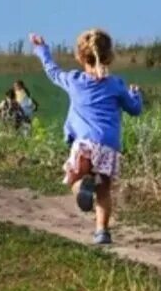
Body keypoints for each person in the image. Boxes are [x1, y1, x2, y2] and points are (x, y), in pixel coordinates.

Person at [30, 29, 143, 245]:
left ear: (80, 57)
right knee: (104, 191)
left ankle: (82, 187)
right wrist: (136, 94)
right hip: (109, 146)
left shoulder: (74, 80)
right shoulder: (116, 85)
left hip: (84, 145)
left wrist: (41, 49)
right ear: (109, 56)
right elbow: (134, 109)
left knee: (73, 177)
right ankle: (102, 232)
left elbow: (52, 71)